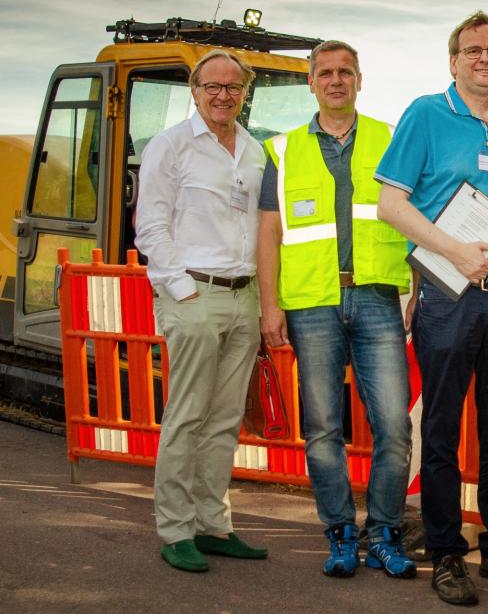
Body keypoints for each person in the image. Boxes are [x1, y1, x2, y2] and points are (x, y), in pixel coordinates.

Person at [376, 10, 488, 605]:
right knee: (444, 425)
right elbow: (391, 206)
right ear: (453, 61)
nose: (485, 58)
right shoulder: (426, 114)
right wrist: (455, 249)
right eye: (473, 50)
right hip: (447, 296)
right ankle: (448, 551)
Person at [257, 40, 417, 579]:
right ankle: (340, 532)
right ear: (311, 83)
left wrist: (413, 291)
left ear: (359, 79)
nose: (335, 80)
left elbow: (412, 220)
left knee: (393, 425)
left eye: (344, 72)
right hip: (311, 303)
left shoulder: (390, 139)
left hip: (377, 298)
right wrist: (269, 306)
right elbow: (269, 233)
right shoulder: (280, 151)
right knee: (323, 427)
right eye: (324, 73)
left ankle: (385, 533)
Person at [135, 49, 269, 572]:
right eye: (212, 86)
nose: (222, 95)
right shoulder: (170, 147)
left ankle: (213, 524)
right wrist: (180, 288)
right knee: (188, 414)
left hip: (246, 294)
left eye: (233, 88)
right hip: (194, 291)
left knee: (224, 419)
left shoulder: (256, 152)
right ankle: (174, 529)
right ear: (194, 90)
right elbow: (151, 224)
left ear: (244, 94)